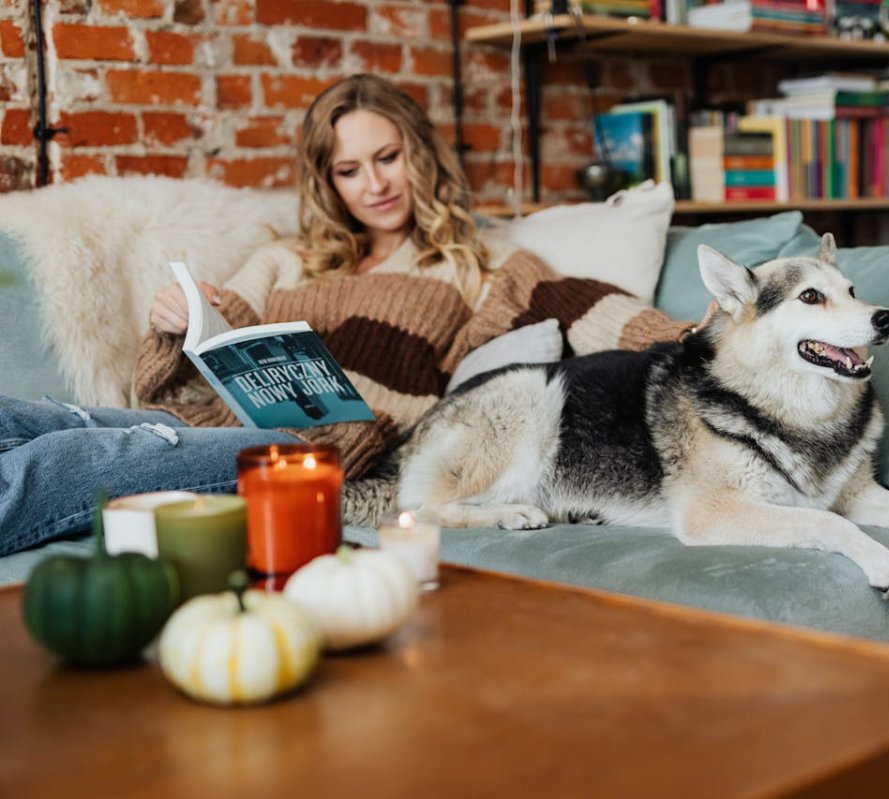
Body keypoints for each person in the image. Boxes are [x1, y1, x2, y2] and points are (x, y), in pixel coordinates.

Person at [0, 73, 697, 558]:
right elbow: (209, 343)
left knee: (63, 459)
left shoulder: (473, 267)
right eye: (350, 169)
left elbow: (587, 306)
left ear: (418, 154)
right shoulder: (288, 259)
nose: (375, 184)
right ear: (328, 181)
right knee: (26, 418)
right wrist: (179, 320)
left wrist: (688, 337)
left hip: (327, 457)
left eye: (388, 158)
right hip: (209, 425)